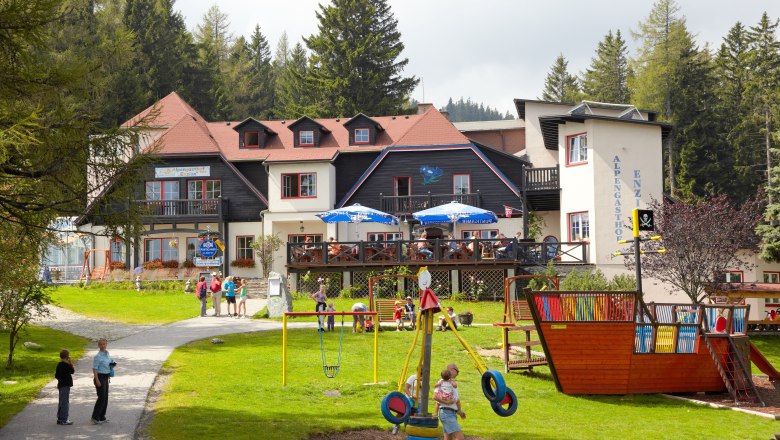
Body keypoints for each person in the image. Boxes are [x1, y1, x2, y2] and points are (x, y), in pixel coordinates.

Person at [434, 363, 466, 440]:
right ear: (451, 369)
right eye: (457, 371)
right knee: (460, 438)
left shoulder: (451, 383)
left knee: (448, 438)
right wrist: (446, 402)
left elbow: (456, 399)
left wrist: (459, 411)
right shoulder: (442, 382)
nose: (458, 373)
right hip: (446, 413)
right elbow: (435, 396)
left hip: (451, 413)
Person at [91, 338, 115, 425]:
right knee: (101, 398)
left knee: (105, 398)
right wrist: (97, 380)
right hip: (100, 377)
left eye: (104, 344)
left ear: (106, 344)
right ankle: (95, 417)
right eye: (100, 344)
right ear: (98, 345)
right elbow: (94, 368)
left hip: (106, 377)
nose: (102, 346)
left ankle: (102, 416)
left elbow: (108, 363)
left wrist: (112, 365)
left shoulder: (107, 354)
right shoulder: (97, 356)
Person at [55, 349, 74, 425]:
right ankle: (64, 419)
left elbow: (56, 375)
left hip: (61, 385)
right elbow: (72, 371)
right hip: (65, 385)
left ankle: (60, 418)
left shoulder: (59, 365)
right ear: (67, 357)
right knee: (65, 402)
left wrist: (61, 379)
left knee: (61, 401)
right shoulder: (66, 365)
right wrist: (70, 363)